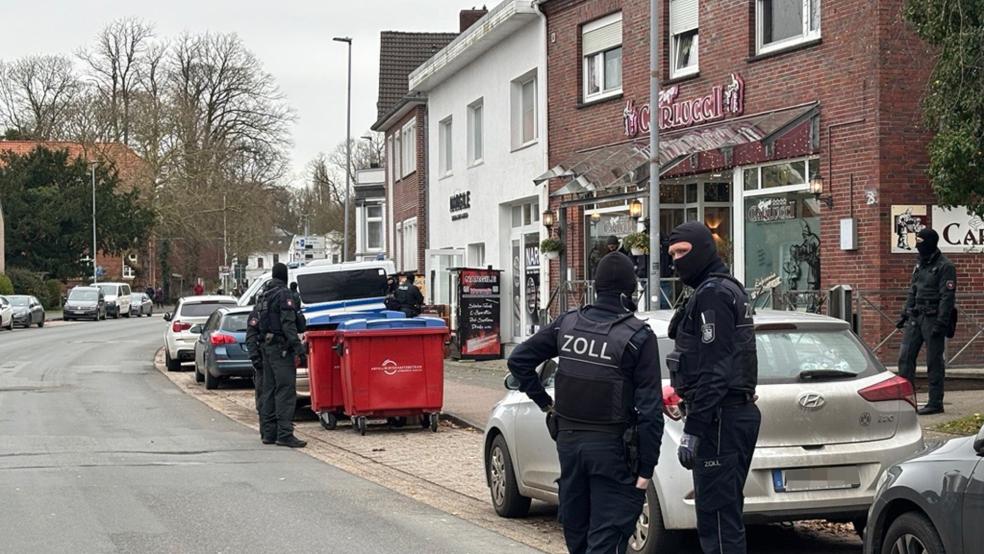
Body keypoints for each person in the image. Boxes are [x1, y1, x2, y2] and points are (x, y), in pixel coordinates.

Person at [507, 251, 664, 554]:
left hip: (569, 446)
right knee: (607, 541)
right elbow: (650, 411)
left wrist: (546, 404)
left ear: (597, 286)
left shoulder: (567, 324)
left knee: (578, 539)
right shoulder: (638, 337)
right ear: (630, 290)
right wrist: (646, 470)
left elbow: (519, 361)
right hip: (613, 451)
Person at [666, 221, 759, 554]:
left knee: (717, 521)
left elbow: (716, 371)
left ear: (703, 249)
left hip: (722, 417)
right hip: (730, 413)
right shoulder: (727, 288)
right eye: (672, 254)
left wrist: (694, 428)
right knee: (723, 511)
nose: (676, 261)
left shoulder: (713, 295)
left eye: (683, 252)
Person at [896, 228, 956, 415]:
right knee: (905, 358)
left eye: (921, 241)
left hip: (933, 317)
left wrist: (941, 322)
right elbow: (913, 289)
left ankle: (935, 402)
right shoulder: (919, 264)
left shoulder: (945, 266)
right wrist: (905, 312)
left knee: (934, 362)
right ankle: (907, 401)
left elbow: (947, 297)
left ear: (930, 242)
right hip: (916, 316)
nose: (918, 245)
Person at [256, 263, 307, 448]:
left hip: (266, 348)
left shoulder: (263, 295)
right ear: (285, 276)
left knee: (269, 390)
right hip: (280, 349)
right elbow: (288, 324)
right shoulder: (283, 294)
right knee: (285, 391)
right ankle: (285, 434)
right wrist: (298, 348)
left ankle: (268, 433)